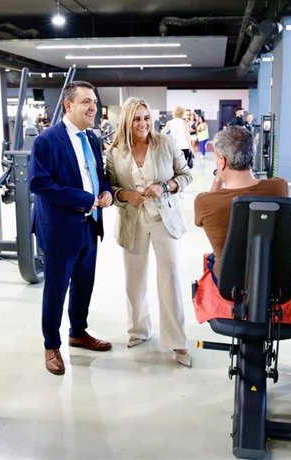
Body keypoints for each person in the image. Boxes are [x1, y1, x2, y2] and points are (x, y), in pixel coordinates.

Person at [29, 80, 114, 376]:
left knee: (84, 284)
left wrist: (106, 193)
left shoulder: (91, 138)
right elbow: (39, 183)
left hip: (89, 226)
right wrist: (85, 199)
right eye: (86, 102)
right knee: (56, 289)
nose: (93, 107)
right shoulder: (47, 140)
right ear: (68, 105)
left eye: (94, 101)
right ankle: (51, 345)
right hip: (60, 228)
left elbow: (97, 174)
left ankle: (78, 332)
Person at [106, 97, 193, 367]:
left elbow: (186, 175)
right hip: (132, 221)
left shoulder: (165, 144)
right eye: (136, 118)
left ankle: (177, 341)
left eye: (146, 118)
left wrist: (165, 186)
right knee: (135, 280)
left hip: (163, 219)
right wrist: (125, 194)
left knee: (170, 278)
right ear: (126, 121)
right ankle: (139, 330)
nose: (143, 123)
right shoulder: (115, 151)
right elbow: (109, 187)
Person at [194, 126, 289, 281]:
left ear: (222, 161)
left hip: (229, 282)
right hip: (274, 279)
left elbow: (205, 214)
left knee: (211, 258)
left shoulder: (204, 202)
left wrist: (218, 178)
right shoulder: (279, 187)